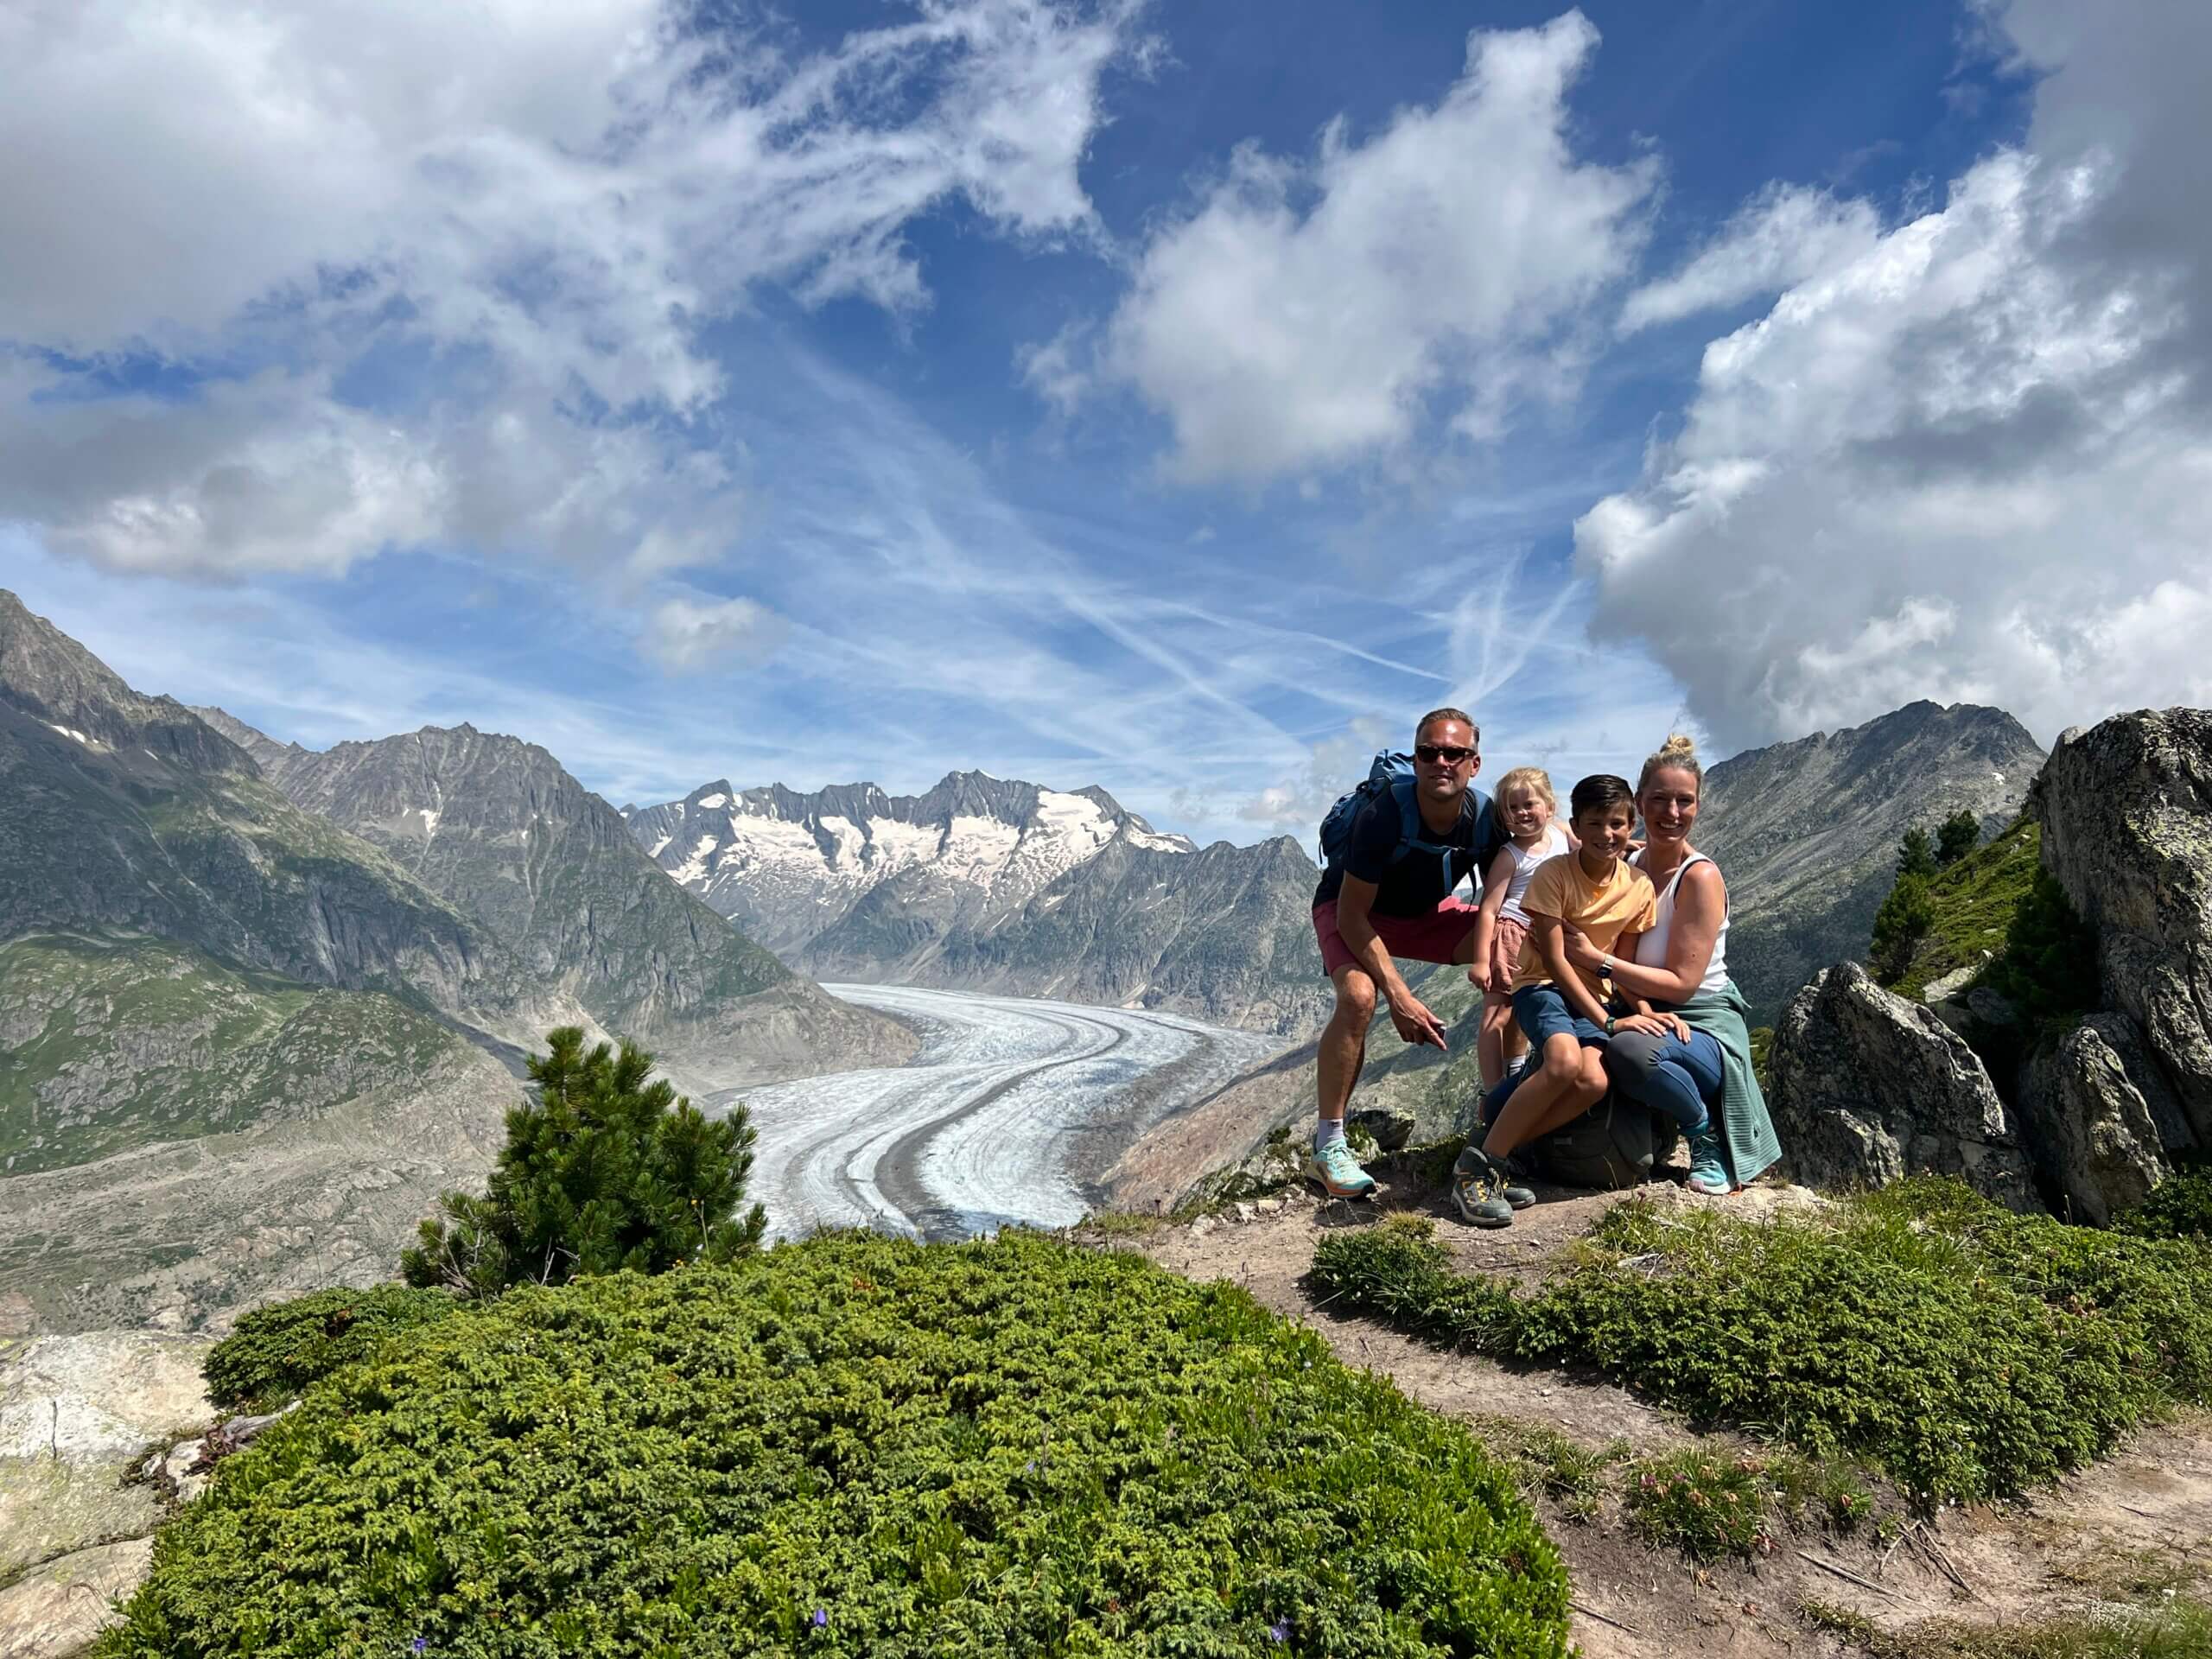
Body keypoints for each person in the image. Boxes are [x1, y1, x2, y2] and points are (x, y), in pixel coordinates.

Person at [1451, 773, 1675, 1229]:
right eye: (1594, 823)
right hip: (1543, 986)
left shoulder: (1640, 888)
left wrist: (1646, 1011)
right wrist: (1609, 1025)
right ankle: (1477, 1170)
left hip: (1595, 996)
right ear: (1576, 823)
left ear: (1629, 825)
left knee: (1593, 1082)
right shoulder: (1555, 873)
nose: (1606, 835)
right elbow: (1553, 958)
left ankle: (1499, 1148)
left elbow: (1618, 963)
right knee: (1562, 1061)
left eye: (1616, 824)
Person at [1564, 733, 1783, 1192]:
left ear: (1699, 806)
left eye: (1685, 801)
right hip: (1638, 1007)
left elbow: (1683, 984)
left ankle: (1705, 1138)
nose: (1672, 812)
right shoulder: (1628, 860)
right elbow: (1564, 833)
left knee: (1631, 1054)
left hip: (1699, 1022)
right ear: (1639, 803)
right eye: (1660, 800)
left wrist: (1597, 961)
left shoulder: (1699, 877)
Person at [1306, 709, 1502, 1198]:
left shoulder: (1486, 819)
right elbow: (1352, 916)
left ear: (1474, 764)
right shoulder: (1383, 814)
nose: (1441, 761)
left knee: (1514, 953)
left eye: (1454, 753)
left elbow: (1529, 862)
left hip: (1422, 915)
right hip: (1351, 909)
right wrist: (1399, 995)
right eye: (1428, 752)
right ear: (1414, 760)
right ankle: (1328, 1146)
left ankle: (1507, 1102)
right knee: (1357, 998)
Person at [1468, 767, 1573, 1092]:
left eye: (1529, 804)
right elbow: (1489, 908)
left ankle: (1516, 1076)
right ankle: (1493, 1089)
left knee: (1530, 1004)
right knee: (1497, 1014)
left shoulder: (1561, 834)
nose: (1522, 813)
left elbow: (1592, 848)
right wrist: (1482, 960)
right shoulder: (1510, 855)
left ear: (1549, 806)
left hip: (1549, 934)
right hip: (1514, 933)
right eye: (1512, 808)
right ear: (1504, 817)